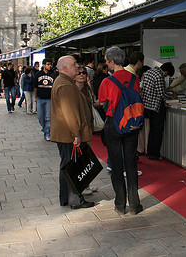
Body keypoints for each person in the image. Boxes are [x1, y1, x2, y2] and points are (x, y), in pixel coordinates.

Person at [98, 46, 143, 215]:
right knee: (131, 163)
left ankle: (119, 204)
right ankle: (134, 203)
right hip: (131, 123)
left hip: (113, 125)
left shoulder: (107, 81)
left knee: (116, 165)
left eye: (106, 61)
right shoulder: (134, 78)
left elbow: (103, 102)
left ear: (111, 61)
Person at [51, 55, 95, 210]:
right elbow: (70, 112)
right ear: (65, 68)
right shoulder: (66, 85)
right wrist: (76, 134)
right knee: (73, 167)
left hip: (64, 134)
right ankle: (75, 199)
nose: (77, 66)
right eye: (74, 63)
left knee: (67, 166)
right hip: (69, 135)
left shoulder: (63, 82)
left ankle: (66, 197)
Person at [140, 62, 175, 161]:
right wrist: (172, 96)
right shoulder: (159, 76)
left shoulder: (149, 72)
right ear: (166, 71)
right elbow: (161, 94)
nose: (166, 76)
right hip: (156, 107)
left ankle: (150, 152)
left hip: (147, 105)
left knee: (152, 130)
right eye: (167, 75)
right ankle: (155, 154)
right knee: (158, 131)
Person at [75, 64, 100, 196]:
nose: (82, 75)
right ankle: (81, 183)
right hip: (78, 128)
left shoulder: (88, 89)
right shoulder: (72, 90)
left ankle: (87, 182)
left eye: (84, 73)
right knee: (80, 157)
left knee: (87, 156)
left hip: (88, 126)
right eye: (79, 73)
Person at [34, 59, 57, 141]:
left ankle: (47, 133)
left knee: (48, 117)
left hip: (49, 98)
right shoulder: (38, 74)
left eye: (50, 64)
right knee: (40, 116)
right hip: (40, 98)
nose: (49, 66)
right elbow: (35, 87)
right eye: (48, 64)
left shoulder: (53, 75)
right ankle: (44, 128)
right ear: (43, 65)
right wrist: (36, 97)